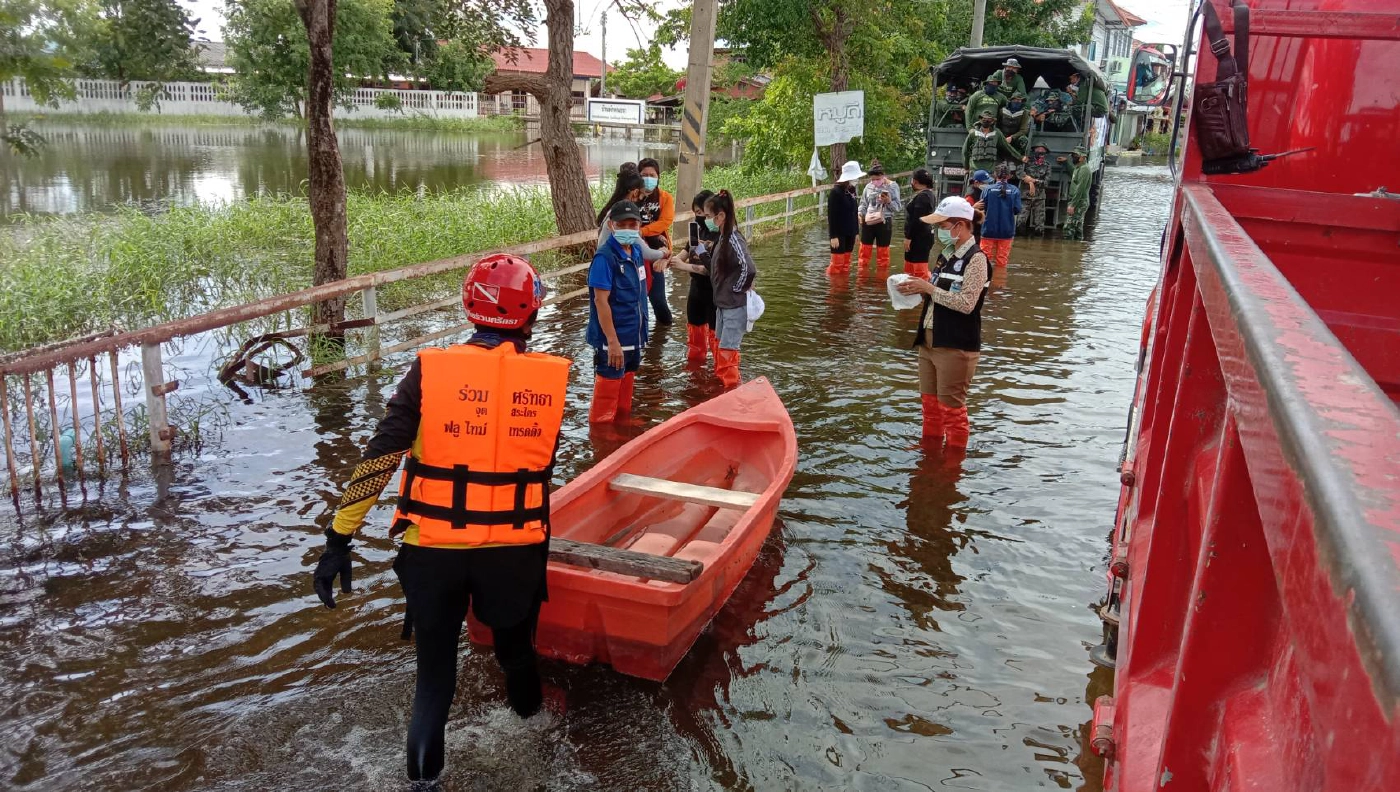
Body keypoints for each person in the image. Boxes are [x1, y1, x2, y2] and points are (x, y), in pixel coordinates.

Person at [312, 254, 568, 789]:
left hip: (433, 552)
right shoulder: (545, 384)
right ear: (531, 316)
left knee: (433, 682)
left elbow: (380, 458)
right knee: (516, 656)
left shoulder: (428, 371)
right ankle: (539, 752)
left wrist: (339, 538)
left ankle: (422, 785)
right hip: (513, 552)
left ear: (469, 308)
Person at [897, 196, 990, 448]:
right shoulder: (944, 255)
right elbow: (939, 293)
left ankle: (952, 467)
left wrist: (928, 286)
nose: (938, 231)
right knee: (929, 405)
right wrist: (917, 288)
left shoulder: (977, 259)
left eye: (942, 225)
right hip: (929, 340)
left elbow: (966, 304)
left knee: (952, 410)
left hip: (955, 344)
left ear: (959, 225)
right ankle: (929, 453)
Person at [588, 200, 650, 422]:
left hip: (634, 336)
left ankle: (623, 425)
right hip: (613, 342)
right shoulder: (605, 258)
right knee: (606, 398)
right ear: (612, 226)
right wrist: (612, 342)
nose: (628, 229)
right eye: (622, 224)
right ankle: (602, 441)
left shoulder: (635, 252)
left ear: (639, 226)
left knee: (626, 388)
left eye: (633, 224)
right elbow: (600, 301)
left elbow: (639, 295)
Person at [704, 190, 756, 389]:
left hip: (734, 306)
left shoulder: (733, 239)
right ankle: (723, 387)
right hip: (723, 305)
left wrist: (737, 289)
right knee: (721, 347)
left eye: (709, 216)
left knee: (728, 350)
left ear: (721, 216)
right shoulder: (722, 239)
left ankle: (731, 389)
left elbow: (749, 268)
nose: (707, 220)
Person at [666, 190, 719, 365]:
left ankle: (720, 373)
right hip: (696, 289)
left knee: (716, 335)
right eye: (696, 212)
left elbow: (712, 269)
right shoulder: (696, 229)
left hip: (714, 292)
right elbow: (687, 250)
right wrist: (672, 260)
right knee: (695, 332)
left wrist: (684, 266)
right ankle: (695, 369)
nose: (700, 216)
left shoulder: (721, 234)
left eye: (703, 212)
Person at [636, 158, 675, 326]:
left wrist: (642, 231)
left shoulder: (665, 198)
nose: (648, 178)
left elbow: (665, 222)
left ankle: (665, 329)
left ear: (658, 177)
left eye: (652, 175)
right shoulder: (632, 197)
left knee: (658, 298)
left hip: (657, 252)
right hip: (634, 251)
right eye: (644, 175)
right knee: (635, 296)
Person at [856, 160, 903, 271]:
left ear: (883, 175)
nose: (875, 181)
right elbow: (863, 203)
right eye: (872, 179)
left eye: (877, 179)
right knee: (864, 252)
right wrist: (859, 214)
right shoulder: (868, 187)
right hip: (868, 221)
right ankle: (861, 279)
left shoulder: (892, 186)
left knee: (883, 254)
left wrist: (888, 201)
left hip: (884, 222)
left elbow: (897, 207)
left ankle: (881, 280)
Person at [980, 164, 1022, 269]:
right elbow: (1017, 209)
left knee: (984, 259)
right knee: (1002, 261)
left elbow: (981, 207)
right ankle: (1000, 282)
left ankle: (985, 282)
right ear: (1009, 176)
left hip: (988, 229)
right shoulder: (1014, 190)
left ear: (995, 175)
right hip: (1006, 230)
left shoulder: (987, 189)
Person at [827, 160, 863, 275]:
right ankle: (834, 288)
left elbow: (854, 211)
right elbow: (832, 216)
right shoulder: (835, 192)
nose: (856, 180)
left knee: (846, 264)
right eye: (855, 178)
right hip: (839, 233)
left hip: (850, 232)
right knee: (837, 264)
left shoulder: (851, 190)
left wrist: (856, 232)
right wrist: (833, 236)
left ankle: (844, 288)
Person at [964, 110, 1023, 179]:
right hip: (974, 170)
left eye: (989, 119)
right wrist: (966, 168)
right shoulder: (973, 134)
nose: (986, 121)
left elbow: (1007, 147)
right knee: (972, 189)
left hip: (989, 170)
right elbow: (965, 151)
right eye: (984, 119)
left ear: (992, 121)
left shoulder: (997, 133)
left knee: (990, 189)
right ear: (980, 119)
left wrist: (1020, 157)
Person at [903, 169, 937, 280]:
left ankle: (923, 293)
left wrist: (909, 237)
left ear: (915, 181)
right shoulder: (927, 195)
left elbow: (918, 220)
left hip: (919, 238)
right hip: (920, 236)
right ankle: (911, 291)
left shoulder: (923, 197)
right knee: (911, 268)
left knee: (919, 269)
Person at [1019, 142, 1053, 234]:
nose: (1040, 152)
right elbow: (1019, 173)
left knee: (1039, 225)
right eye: (1038, 149)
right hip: (1025, 196)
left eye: (1042, 150)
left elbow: (1046, 183)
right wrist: (1029, 182)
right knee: (1020, 223)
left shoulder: (1047, 165)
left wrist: (1033, 181)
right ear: (1034, 151)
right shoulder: (1027, 162)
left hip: (1039, 197)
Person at [1063, 147, 1092, 241]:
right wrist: (1066, 162)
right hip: (1078, 201)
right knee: (1077, 229)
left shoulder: (1084, 169)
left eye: (1075, 156)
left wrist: (1072, 205)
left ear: (1082, 157)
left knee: (1068, 229)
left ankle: (1067, 252)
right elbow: (1074, 174)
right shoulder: (1078, 168)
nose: (1073, 157)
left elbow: (1080, 188)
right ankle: (1076, 252)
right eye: (1073, 155)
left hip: (1079, 202)